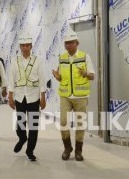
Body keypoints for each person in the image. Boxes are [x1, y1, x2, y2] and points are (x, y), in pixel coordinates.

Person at [52, 32, 95, 161]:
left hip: (80, 96)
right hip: (65, 95)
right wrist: (58, 77)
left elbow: (92, 76)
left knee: (80, 124)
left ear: (77, 43)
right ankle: (67, 148)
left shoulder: (84, 57)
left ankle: (78, 151)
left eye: (71, 43)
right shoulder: (62, 58)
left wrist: (85, 73)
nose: (69, 45)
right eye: (67, 43)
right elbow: (62, 77)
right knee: (63, 122)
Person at [8, 34, 46, 161]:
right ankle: (22, 138)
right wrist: (10, 96)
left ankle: (30, 150)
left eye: (27, 45)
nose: (25, 48)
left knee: (33, 125)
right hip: (19, 96)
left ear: (31, 46)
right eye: (23, 46)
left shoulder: (37, 61)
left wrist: (43, 96)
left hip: (33, 96)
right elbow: (11, 78)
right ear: (20, 47)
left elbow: (42, 79)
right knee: (20, 124)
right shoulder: (15, 61)